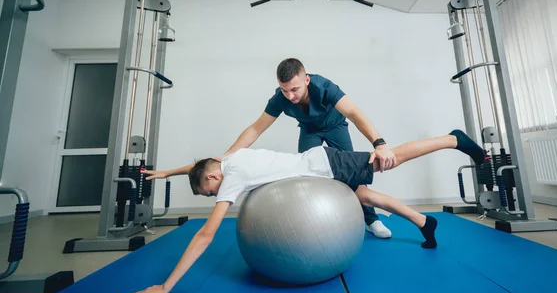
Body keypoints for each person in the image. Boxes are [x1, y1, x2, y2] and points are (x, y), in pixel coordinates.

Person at [123, 129, 486, 293]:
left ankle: (453, 140)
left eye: (210, 192)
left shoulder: (229, 176)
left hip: (323, 166)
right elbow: (199, 165)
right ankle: (425, 223)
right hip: (318, 173)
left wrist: (165, 287)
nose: (216, 196)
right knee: (366, 195)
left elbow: (205, 235)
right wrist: (166, 172)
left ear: (216, 179)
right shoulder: (230, 158)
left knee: (394, 159)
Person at [145, 58, 396, 239]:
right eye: (285, 90)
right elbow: (256, 129)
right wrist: (230, 155)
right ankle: (317, 220)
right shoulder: (279, 98)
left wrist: (379, 144)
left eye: (295, 89)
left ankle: (371, 220)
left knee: (352, 174)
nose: (290, 96)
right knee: (307, 175)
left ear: (306, 80)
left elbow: (353, 112)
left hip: (334, 126)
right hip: (309, 129)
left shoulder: (325, 87)